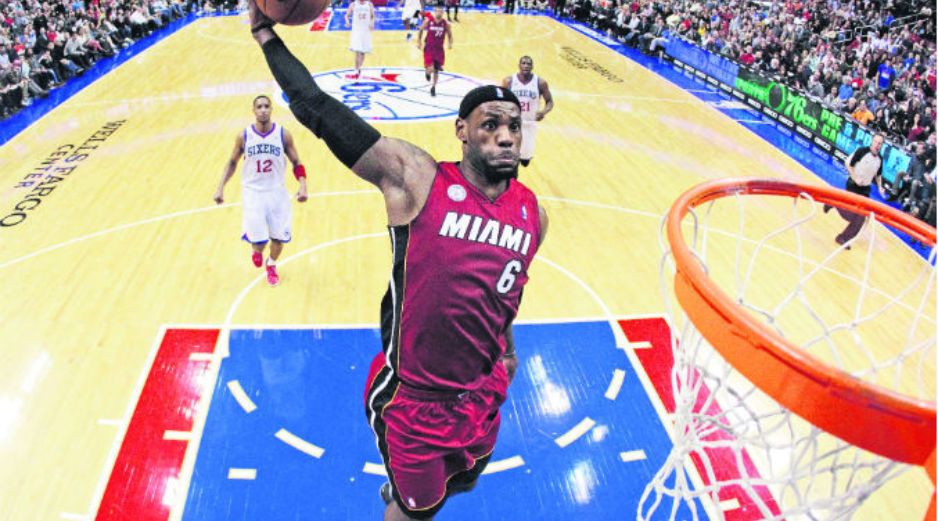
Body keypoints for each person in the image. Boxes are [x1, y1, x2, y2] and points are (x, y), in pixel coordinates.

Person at [247, 1, 548, 518]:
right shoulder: (418, 179)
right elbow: (316, 106)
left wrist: (508, 353)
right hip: (414, 402)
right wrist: (265, 37)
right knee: (417, 512)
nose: (504, 135)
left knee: (466, 479)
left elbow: (505, 290)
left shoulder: (533, 215)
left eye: (513, 127)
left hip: (484, 390)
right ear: (460, 130)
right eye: (489, 123)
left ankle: (421, 485)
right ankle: (402, 493)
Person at [213, 94, 308, 286]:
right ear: (254, 111)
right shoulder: (244, 136)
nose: (263, 109)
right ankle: (256, 250)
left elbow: (296, 162)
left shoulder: (283, 135)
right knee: (260, 242)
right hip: (253, 193)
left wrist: (303, 185)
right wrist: (220, 187)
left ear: (272, 109)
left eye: (266, 106)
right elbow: (232, 163)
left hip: (277, 192)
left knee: (279, 239)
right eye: (259, 107)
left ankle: (271, 264)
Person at [823, 133, 885, 249]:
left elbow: (878, 175)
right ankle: (833, 202)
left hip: (865, 190)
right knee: (851, 214)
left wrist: (880, 187)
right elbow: (848, 164)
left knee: (861, 217)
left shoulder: (880, 159)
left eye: (880, 143)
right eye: (876, 142)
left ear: (882, 145)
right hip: (853, 185)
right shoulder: (862, 151)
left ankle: (843, 238)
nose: (877, 145)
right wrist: (855, 178)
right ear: (872, 141)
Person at [501, 55, 554, 167]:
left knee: (525, 161)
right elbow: (500, 100)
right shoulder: (509, 81)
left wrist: (543, 112)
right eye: (523, 63)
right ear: (519, 65)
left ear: (532, 66)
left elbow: (550, 102)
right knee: (508, 154)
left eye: (529, 63)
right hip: (513, 122)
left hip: (530, 123)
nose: (526, 65)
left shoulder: (540, 83)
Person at [416, 6, 452, 98]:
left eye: (441, 11)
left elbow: (450, 35)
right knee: (431, 68)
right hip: (429, 48)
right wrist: (419, 42)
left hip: (439, 49)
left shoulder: (446, 23)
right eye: (437, 11)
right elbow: (420, 30)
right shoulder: (429, 20)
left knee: (436, 70)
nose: (439, 13)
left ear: (443, 13)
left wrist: (450, 43)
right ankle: (427, 73)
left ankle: (433, 87)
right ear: (435, 12)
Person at [346, 0, 374, 79]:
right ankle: (356, 70)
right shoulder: (353, 4)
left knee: (363, 52)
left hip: (366, 30)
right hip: (356, 30)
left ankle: (359, 68)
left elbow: (372, 16)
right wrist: (347, 21)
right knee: (357, 51)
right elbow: (347, 15)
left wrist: (372, 23)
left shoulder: (369, 4)